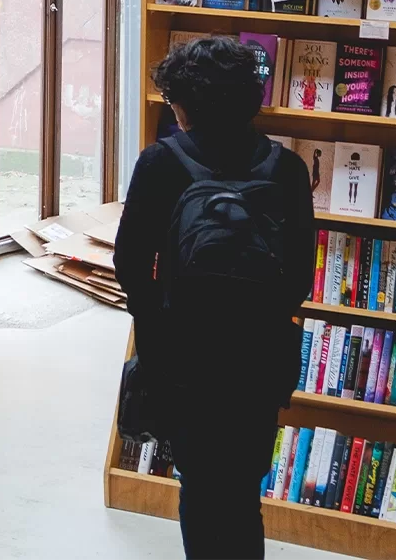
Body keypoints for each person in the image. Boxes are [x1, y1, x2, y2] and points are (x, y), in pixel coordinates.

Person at [114, 36, 314, 560]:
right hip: (259, 359)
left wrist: (157, 329)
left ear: (184, 103)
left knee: (199, 488)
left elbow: (130, 264)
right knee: (244, 493)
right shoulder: (287, 168)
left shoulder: (161, 163)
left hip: (184, 359)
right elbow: (300, 281)